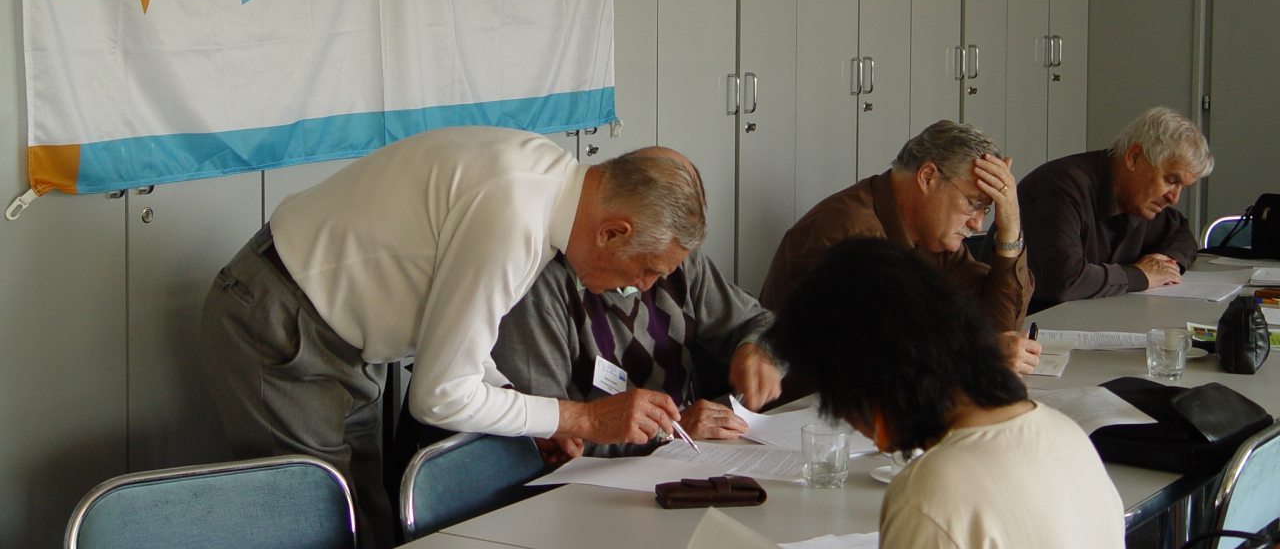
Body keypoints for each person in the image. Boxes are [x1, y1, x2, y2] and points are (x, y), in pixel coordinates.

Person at [200, 126, 705, 549]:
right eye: (649, 269)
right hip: (284, 316)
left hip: (336, 329)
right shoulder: (515, 215)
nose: (644, 286)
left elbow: (465, 347)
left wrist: (533, 416)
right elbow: (439, 397)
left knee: (365, 519)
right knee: (324, 527)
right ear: (613, 232)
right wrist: (582, 418)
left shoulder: (547, 182)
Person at [769, 237, 1125, 549]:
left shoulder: (932, 494)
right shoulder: (1065, 435)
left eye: (833, 395)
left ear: (866, 375)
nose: (843, 417)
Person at [759, 120, 1038, 373]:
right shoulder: (842, 232)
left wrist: (1010, 228)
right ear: (928, 177)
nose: (977, 224)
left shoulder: (933, 236)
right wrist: (976, 354)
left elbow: (996, 329)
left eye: (986, 210)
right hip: (812, 406)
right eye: (973, 204)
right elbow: (870, 358)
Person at [482, 247, 782, 457]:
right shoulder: (544, 287)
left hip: (688, 458)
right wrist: (670, 433)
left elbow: (759, 322)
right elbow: (543, 442)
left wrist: (758, 348)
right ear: (615, 232)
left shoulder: (680, 261)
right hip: (591, 488)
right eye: (651, 267)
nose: (658, 279)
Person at [1020, 106, 1213, 311]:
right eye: (1171, 180)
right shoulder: (1058, 188)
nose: (1174, 198)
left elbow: (1182, 235)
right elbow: (1063, 280)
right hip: (1035, 324)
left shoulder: (1140, 199)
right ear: (1134, 157)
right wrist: (1140, 275)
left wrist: (1164, 263)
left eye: (1183, 187)